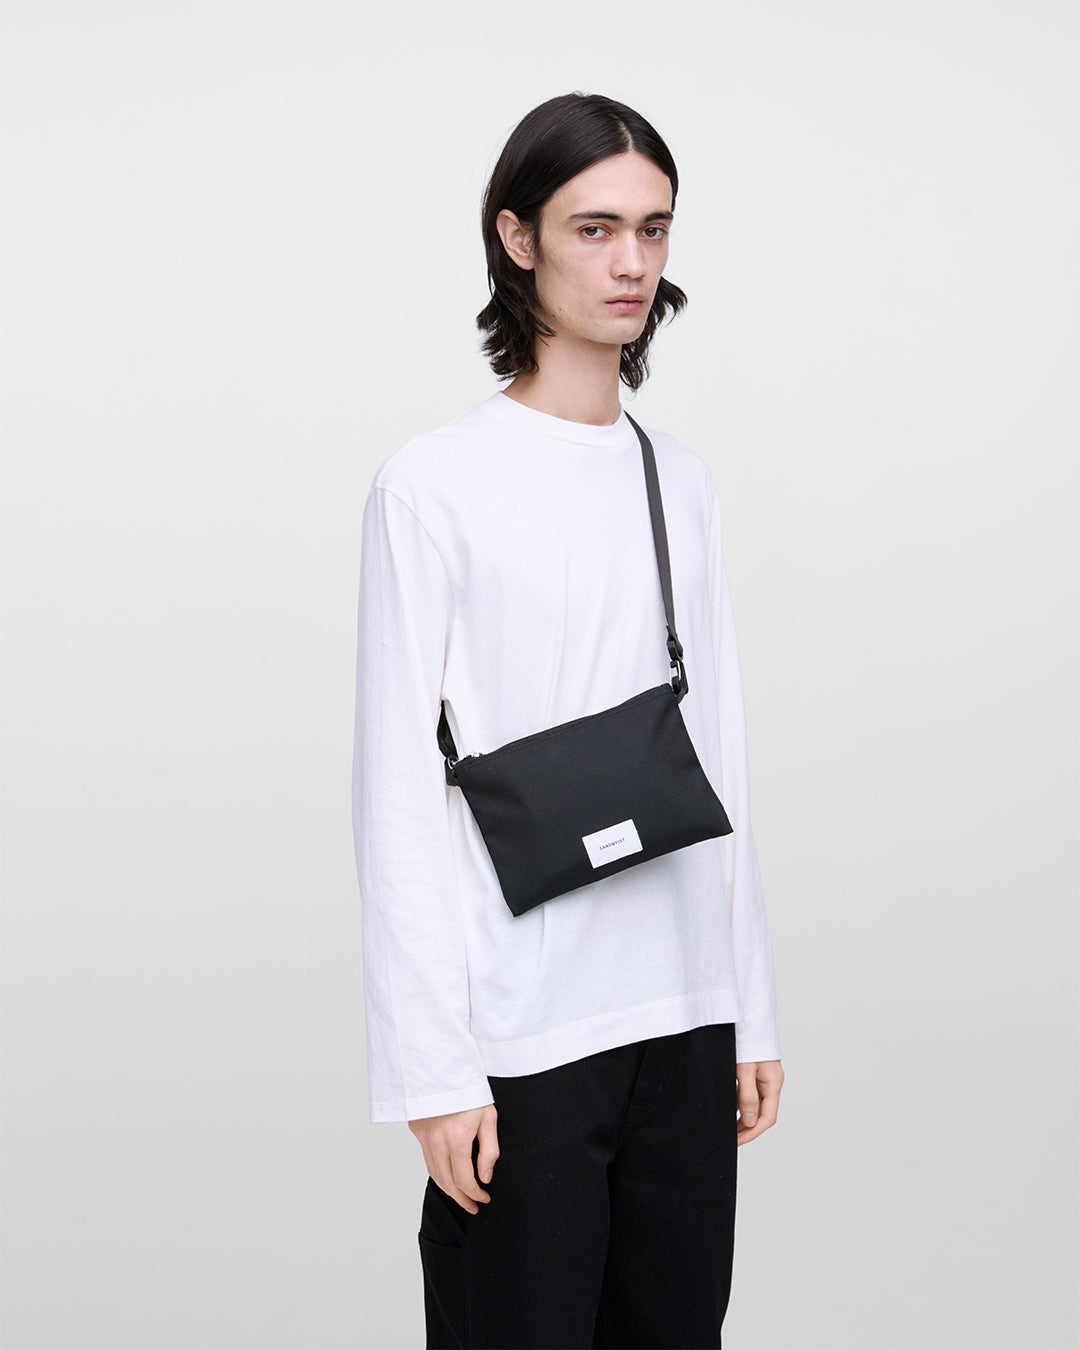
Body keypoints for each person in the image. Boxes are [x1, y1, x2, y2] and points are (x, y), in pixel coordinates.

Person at [351, 90, 784, 1350]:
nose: (631, 261)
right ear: (518, 237)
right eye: (594, 228)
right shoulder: (432, 485)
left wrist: (748, 1008)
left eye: (653, 228)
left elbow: (723, 752)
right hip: (522, 1026)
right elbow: (394, 787)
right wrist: (433, 1071)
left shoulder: (677, 479)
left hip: (683, 1017)